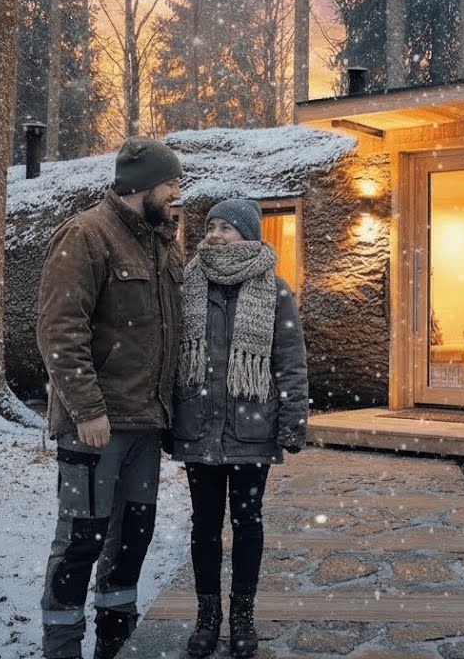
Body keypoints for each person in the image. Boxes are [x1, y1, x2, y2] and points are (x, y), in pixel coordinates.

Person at [36, 136, 184, 659]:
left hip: (145, 427)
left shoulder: (164, 242)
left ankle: (116, 643)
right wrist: (87, 409)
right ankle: (62, 647)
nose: (176, 194)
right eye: (171, 184)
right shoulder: (85, 235)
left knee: (132, 541)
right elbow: (60, 330)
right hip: (95, 429)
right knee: (80, 540)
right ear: (142, 186)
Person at [169, 198, 309, 659]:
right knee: (204, 525)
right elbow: (169, 359)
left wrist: (292, 422)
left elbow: (290, 362)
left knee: (247, 524)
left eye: (227, 227)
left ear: (248, 234)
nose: (215, 234)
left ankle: (243, 617)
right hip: (198, 427)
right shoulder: (186, 283)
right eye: (211, 226)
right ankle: (207, 617)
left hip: (251, 430)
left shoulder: (275, 290)